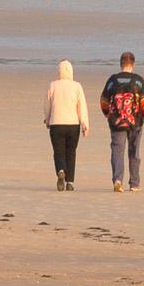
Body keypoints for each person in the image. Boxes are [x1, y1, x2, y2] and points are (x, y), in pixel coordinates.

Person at [101, 51, 144, 192]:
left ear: (121, 64)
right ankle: (134, 184)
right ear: (133, 64)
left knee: (117, 151)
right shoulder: (138, 81)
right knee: (134, 152)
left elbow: (104, 100)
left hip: (116, 123)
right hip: (135, 122)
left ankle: (118, 180)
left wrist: (107, 114)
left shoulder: (112, 81)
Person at [43, 59, 88, 190]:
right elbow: (82, 107)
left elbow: (47, 104)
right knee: (71, 152)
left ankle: (61, 170)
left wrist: (47, 119)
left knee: (58, 151)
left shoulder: (53, 85)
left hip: (56, 123)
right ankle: (70, 182)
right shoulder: (77, 86)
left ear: (59, 71)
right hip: (73, 124)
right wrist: (85, 124)